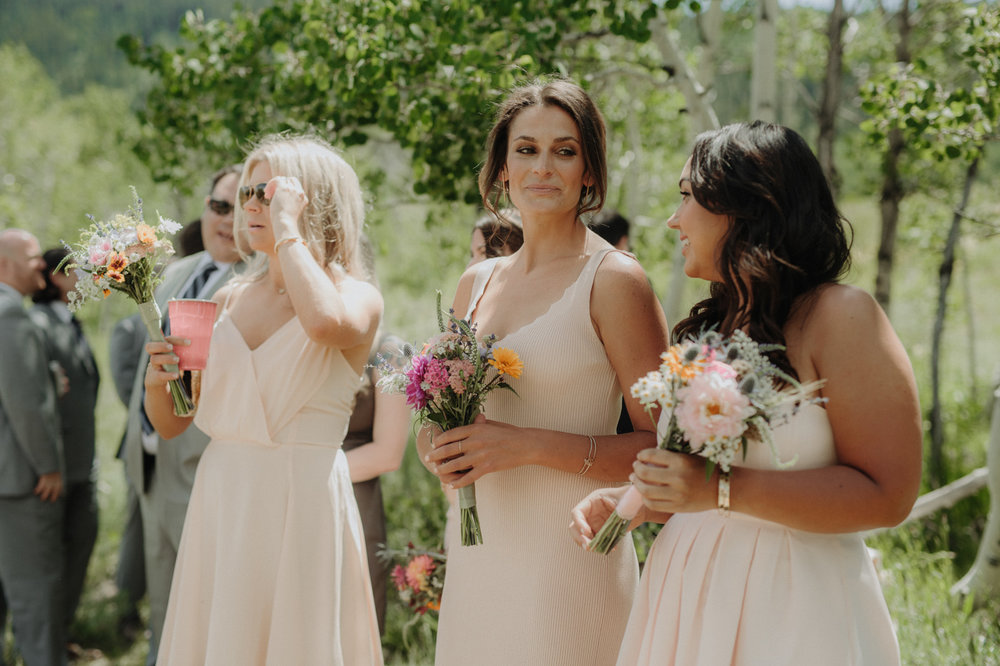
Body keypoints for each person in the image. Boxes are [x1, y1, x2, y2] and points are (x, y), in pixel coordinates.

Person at [571, 121, 922, 665]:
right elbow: (705, 482)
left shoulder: (840, 317)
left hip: (790, 606)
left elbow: (889, 493)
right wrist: (637, 503)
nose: (673, 219)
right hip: (688, 597)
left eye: (687, 197)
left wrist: (719, 490)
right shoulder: (718, 328)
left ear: (743, 206)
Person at [420, 78, 670, 665]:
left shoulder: (614, 279)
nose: (543, 168)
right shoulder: (475, 282)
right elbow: (438, 419)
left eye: (565, 150)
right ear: (502, 167)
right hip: (480, 551)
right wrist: (437, 442)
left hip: (570, 554)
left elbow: (662, 450)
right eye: (526, 149)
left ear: (589, 170)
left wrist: (525, 445)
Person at [145, 134, 383, 664]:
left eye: (265, 192)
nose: (247, 206)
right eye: (245, 193)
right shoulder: (224, 299)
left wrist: (288, 233)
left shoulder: (355, 296)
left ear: (309, 201)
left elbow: (323, 325)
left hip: (302, 501)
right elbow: (173, 423)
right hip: (224, 496)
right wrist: (156, 381)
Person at [120, 163, 243, 665]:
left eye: (240, 209)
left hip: (205, 472)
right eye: (219, 205)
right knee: (164, 612)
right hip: (151, 468)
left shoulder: (257, 289)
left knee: (202, 615)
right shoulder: (175, 271)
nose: (227, 219)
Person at [0, 229, 67, 666]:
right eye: (31, 257)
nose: (41, 264)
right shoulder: (10, 315)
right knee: (36, 598)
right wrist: (49, 466)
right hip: (21, 481)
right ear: (5, 265)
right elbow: (26, 404)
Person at [30, 248, 101, 651]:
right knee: (49, 562)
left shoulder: (72, 324)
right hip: (53, 472)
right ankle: (42, 644)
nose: (87, 276)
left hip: (81, 466)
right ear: (56, 277)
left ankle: (60, 636)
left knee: (79, 547)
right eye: (78, 270)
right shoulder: (36, 325)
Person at [342, 235, 411, 634]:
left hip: (353, 499)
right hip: (289, 496)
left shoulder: (390, 351)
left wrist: (302, 470)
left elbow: (388, 454)